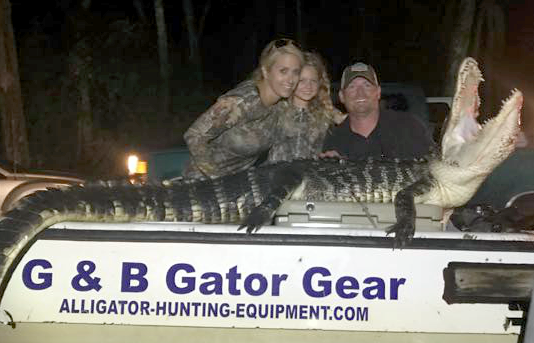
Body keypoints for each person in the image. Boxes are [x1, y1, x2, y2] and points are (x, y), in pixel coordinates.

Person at [182, 39, 304, 179]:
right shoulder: (242, 102)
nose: (291, 79)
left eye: (296, 72)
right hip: (202, 184)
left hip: (240, 185)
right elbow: (194, 135)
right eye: (283, 71)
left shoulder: (281, 105)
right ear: (265, 71)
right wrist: (217, 179)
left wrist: (333, 113)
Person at [321, 62, 434, 160]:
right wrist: (331, 167)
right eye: (352, 87)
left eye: (367, 85)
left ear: (378, 92)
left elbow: (433, 169)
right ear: (341, 96)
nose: (360, 93)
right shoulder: (333, 140)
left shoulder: (410, 127)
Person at [267, 51, 345, 163]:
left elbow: (351, 123)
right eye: (302, 81)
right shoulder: (276, 110)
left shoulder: (326, 113)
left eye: (313, 81)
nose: (308, 86)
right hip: (275, 174)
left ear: (320, 83)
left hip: (308, 176)